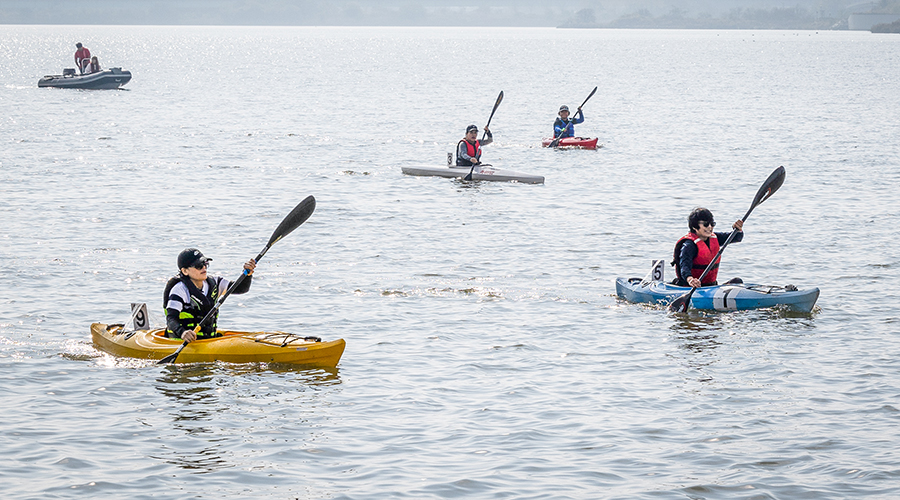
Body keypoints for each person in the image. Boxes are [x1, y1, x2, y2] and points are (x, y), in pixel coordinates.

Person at [163, 248, 256, 342]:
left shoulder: (215, 283)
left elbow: (242, 288)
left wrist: (248, 275)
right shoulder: (180, 290)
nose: (204, 268)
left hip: (208, 340)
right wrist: (183, 332)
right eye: (198, 266)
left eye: (205, 264)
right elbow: (171, 319)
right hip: (183, 341)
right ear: (185, 271)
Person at [671, 207, 744, 288]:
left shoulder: (715, 237)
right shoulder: (689, 245)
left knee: (738, 282)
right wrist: (690, 279)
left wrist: (738, 230)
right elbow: (684, 266)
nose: (710, 227)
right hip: (691, 287)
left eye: (712, 224)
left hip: (710, 287)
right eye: (706, 224)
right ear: (694, 226)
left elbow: (736, 238)